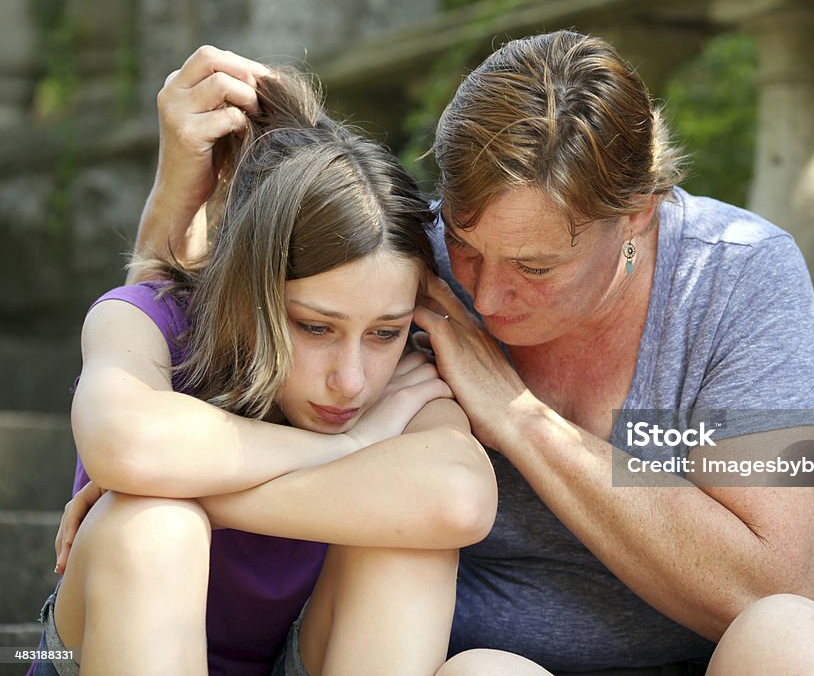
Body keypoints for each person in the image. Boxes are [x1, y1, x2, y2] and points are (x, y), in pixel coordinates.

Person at [61, 32, 814, 675]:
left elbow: (778, 578)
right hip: (480, 659)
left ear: (637, 216)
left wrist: (517, 415)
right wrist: (177, 186)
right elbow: (207, 301)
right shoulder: (405, 278)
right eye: (465, 241)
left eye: (535, 267)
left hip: (720, 658)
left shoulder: (738, 274)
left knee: (792, 637)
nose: (484, 298)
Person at [31, 63, 513, 676]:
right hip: (109, 638)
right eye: (315, 327)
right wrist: (361, 445)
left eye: (385, 332)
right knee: (154, 524)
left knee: (478, 642)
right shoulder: (150, 319)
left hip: (289, 657)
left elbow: (457, 501)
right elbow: (126, 444)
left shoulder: (404, 378)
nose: (353, 380)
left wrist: (191, 480)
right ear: (248, 292)